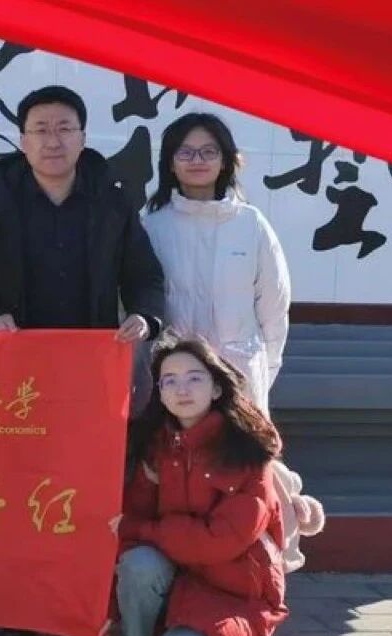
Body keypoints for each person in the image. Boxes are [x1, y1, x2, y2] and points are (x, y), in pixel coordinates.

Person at [0, 84, 166, 636]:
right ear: (21, 141)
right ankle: (17, 619)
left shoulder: (112, 202)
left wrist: (145, 318)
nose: (53, 139)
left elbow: (146, 277)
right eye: (40, 129)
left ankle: (75, 617)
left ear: (83, 136)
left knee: (82, 500)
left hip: (88, 383)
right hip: (15, 380)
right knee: (14, 497)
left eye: (64, 127)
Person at [143, 112, 323, 570]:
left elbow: (274, 309)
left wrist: (261, 369)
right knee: (180, 474)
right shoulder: (153, 226)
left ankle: (265, 573)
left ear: (226, 160)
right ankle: (184, 575)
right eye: (186, 152)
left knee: (249, 470)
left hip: (239, 373)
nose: (197, 160)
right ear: (169, 162)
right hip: (177, 381)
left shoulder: (251, 224)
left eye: (209, 151)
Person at [90, 335, 288, 636]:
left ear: (216, 387)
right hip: (179, 577)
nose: (182, 389)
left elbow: (220, 540)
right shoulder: (157, 447)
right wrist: (112, 609)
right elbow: (131, 526)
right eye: (170, 381)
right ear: (160, 394)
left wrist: (145, 529)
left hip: (235, 588)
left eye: (194, 378)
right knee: (138, 562)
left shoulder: (247, 450)